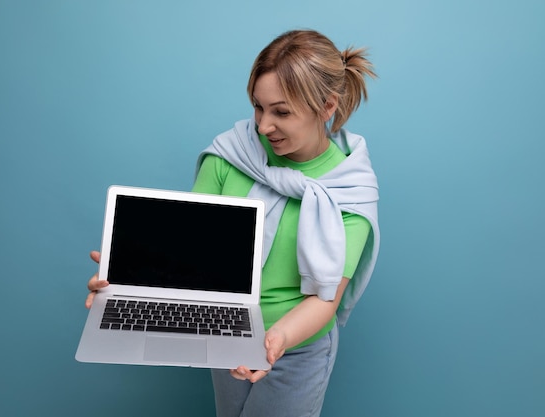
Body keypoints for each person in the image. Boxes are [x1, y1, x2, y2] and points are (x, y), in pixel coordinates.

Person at [86, 29, 380, 417]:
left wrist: (276, 341)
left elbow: (325, 299)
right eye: (258, 107)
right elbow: (189, 254)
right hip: (224, 331)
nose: (262, 126)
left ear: (327, 107)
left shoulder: (349, 189)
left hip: (297, 346)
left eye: (281, 111)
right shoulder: (229, 156)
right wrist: (125, 281)